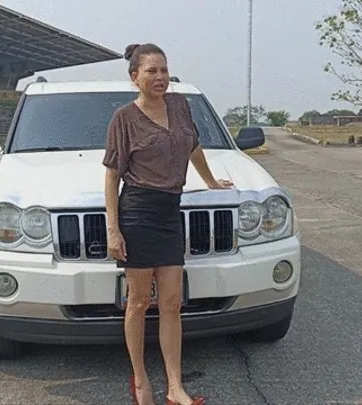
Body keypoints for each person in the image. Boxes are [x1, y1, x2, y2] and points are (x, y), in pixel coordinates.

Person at [102, 43, 233, 405]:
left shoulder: (180, 106)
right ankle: (141, 381)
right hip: (139, 212)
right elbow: (112, 176)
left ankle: (175, 386)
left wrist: (209, 181)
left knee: (172, 302)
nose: (159, 77)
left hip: (169, 211)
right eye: (151, 71)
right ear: (134, 77)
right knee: (140, 301)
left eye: (163, 70)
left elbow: (192, 147)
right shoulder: (123, 119)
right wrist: (113, 228)